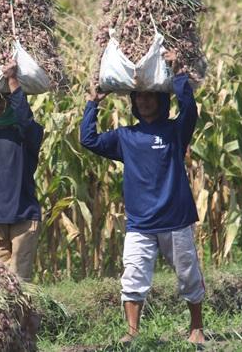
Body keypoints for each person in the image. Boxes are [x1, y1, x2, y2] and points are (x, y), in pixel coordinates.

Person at [80, 51, 205, 345]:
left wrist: (177, 73)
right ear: (133, 102)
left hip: (176, 219)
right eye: (139, 97)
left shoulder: (175, 132)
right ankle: (133, 333)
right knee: (133, 277)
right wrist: (92, 104)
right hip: (140, 223)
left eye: (150, 96)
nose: (145, 101)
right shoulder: (125, 137)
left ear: (161, 100)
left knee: (188, 276)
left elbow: (190, 111)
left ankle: (196, 328)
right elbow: (89, 140)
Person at [0, 61, 44, 282]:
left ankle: (26, 318)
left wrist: (12, 81)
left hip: (23, 217)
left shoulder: (29, 133)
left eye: (3, 99)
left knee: (19, 282)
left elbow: (25, 117)